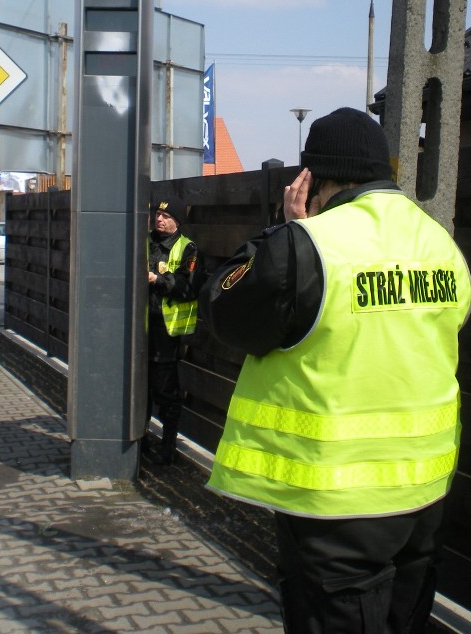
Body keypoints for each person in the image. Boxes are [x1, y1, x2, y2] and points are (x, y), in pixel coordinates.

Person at [199, 107, 471, 634]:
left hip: (337, 505)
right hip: (424, 491)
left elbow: (224, 310)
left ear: (312, 179)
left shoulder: (309, 245)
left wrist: (286, 230)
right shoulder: (441, 244)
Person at [146, 197, 203, 466]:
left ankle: (167, 448)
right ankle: (141, 441)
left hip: (166, 332)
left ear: (177, 221)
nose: (159, 219)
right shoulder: (145, 242)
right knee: (139, 387)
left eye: (166, 216)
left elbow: (188, 287)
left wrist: (157, 280)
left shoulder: (188, 249)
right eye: (157, 214)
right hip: (139, 328)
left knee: (166, 391)